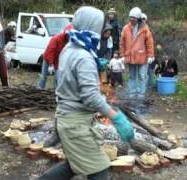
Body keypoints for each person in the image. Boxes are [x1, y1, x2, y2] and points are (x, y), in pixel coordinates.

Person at [38, 6, 134, 180]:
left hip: (66, 118)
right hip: (75, 124)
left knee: (74, 165)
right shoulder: (83, 57)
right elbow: (90, 97)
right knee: (99, 170)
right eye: (99, 26)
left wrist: (93, 64)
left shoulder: (70, 47)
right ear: (93, 27)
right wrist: (116, 117)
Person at [120, 7, 155, 98]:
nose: (132, 19)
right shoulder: (125, 28)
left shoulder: (145, 28)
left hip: (142, 56)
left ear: (138, 18)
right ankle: (132, 92)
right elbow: (122, 43)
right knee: (132, 76)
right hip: (130, 56)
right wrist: (122, 55)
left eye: (134, 17)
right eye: (131, 17)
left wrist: (151, 55)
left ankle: (141, 93)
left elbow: (149, 42)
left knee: (142, 75)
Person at [36, 24, 73, 90]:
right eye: (68, 35)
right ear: (65, 34)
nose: (69, 37)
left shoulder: (69, 42)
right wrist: (50, 64)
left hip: (57, 60)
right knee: (44, 75)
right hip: (47, 58)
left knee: (58, 76)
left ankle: (57, 90)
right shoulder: (56, 39)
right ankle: (40, 88)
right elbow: (50, 51)